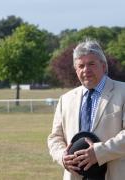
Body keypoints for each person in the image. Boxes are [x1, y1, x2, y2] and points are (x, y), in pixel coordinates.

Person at [47, 39, 125, 180]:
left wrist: (99, 152)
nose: (86, 70)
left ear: (103, 66)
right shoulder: (65, 100)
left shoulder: (123, 92)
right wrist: (62, 156)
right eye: (81, 66)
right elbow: (55, 137)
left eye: (91, 64)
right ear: (76, 70)